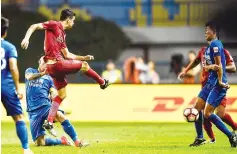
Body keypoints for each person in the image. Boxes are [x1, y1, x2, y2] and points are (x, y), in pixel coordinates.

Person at [21, 9, 110, 135]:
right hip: (56, 64)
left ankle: (49, 121)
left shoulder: (62, 34)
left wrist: (83, 57)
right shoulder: (54, 24)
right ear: (68, 19)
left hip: (53, 68)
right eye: (73, 20)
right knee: (84, 66)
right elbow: (34, 26)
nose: (73, 23)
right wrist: (26, 39)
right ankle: (102, 82)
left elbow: (68, 55)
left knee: (62, 95)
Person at [178, 21, 237, 147]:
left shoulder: (217, 47)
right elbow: (201, 63)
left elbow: (221, 66)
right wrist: (186, 70)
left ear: (214, 32)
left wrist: (220, 80)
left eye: (207, 30)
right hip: (209, 84)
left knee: (211, 114)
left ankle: (231, 135)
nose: (205, 32)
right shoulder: (206, 50)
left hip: (217, 84)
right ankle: (200, 138)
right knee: (197, 109)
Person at [25, 56, 89, 147]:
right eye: (44, 62)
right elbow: (29, 77)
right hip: (33, 111)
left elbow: (53, 91)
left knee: (60, 115)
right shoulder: (30, 71)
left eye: (47, 63)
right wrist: (42, 74)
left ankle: (77, 141)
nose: (46, 65)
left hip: (45, 107)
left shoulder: (50, 78)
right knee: (40, 143)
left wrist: (54, 96)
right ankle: (61, 141)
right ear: (39, 62)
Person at [1, 17, 33, 154]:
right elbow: (13, 67)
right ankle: (25, 149)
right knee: (18, 118)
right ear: (5, 32)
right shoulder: (9, 47)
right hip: (6, 85)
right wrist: (18, 88)